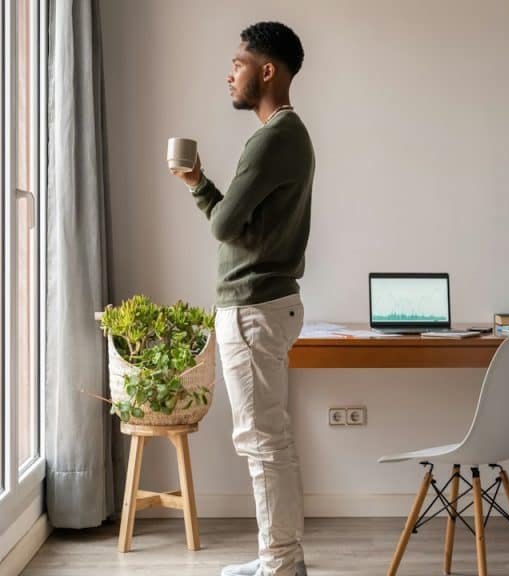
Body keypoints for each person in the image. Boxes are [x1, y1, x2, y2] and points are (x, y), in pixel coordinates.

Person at [170, 21, 314, 576]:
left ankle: (281, 565)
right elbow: (240, 227)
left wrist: (200, 186)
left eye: (239, 62)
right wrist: (201, 184)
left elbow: (225, 225)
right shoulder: (287, 136)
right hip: (265, 305)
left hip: (254, 309)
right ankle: (280, 559)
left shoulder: (274, 136)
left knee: (263, 443)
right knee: (268, 440)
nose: (229, 73)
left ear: (268, 70)